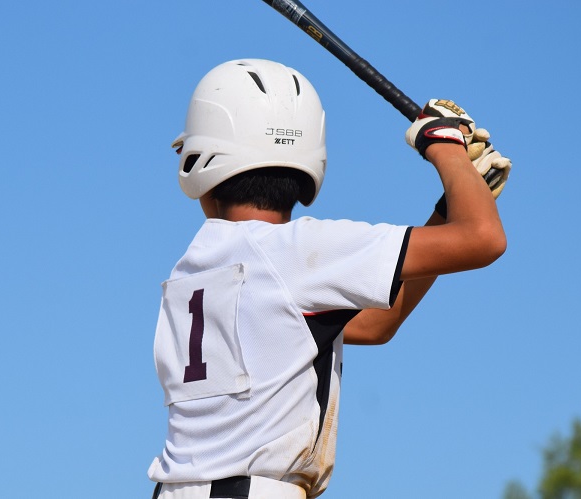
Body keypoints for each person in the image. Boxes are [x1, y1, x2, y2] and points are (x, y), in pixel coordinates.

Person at [148, 58, 511, 499]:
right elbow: (482, 237)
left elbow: (376, 324)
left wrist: (448, 208)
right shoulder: (295, 253)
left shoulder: (196, 268)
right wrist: (446, 147)